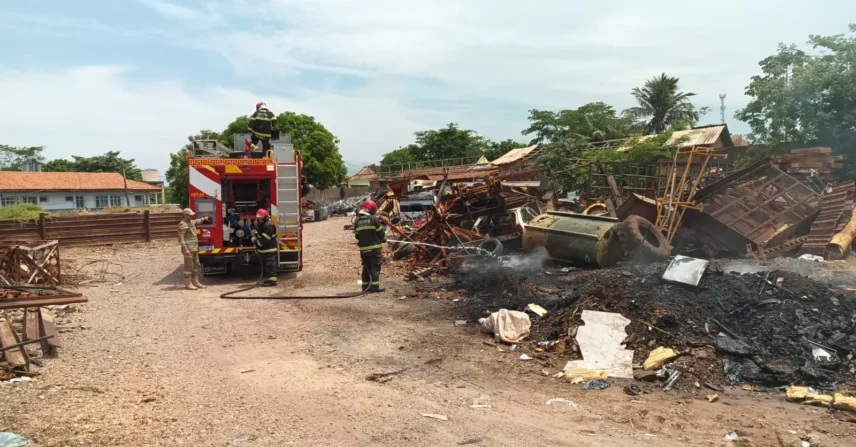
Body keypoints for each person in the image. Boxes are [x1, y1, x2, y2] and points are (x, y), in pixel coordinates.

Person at [353, 199, 386, 293]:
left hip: (363, 250)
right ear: (370, 209)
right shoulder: (373, 219)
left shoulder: (357, 221)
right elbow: (381, 233)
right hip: (375, 250)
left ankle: (365, 287)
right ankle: (374, 287)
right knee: (375, 267)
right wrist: (382, 239)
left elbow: (357, 235)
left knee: (366, 267)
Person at [177, 208, 211, 290]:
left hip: (195, 247)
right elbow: (181, 238)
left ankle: (195, 282)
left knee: (197, 265)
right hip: (188, 248)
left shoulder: (192, 222)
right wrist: (185, 249)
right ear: (185, 215)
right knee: (189, 267)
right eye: (190, 215)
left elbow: (198, 221)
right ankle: (188, 284)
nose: (191, 216)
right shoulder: (182, 225)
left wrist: (204, 218)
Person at [252, 208, 279, 286]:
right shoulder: (263, 225)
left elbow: (265, 239)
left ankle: (272, 281)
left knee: (270, 265)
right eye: (258, 219)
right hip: (266, 249)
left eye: (260, 219)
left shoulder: (269, 225)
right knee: (267, 265)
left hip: (270, 249)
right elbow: (260, 234)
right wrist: (256, 235)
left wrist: (256, 244)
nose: (258, 220)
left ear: (264, 218)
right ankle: (269, 280)